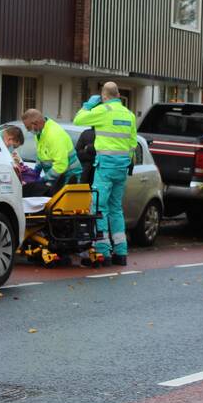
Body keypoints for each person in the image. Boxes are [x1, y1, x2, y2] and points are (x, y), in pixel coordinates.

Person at [73, 82, 137, 267]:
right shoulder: (129, 114)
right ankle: (121, 252)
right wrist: (125, 163)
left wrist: (88, 105)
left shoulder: (103, 109)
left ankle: (103, 252)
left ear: (104, 95)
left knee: (98, 208)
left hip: (105, 167)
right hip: (121, 168)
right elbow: (132, 144)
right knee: (116, 208)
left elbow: (78, 120)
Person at [21, 109, 82, 189]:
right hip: (59, 176)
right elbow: (41, 154)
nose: (28, 130)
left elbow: (61, 165)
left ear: (35, 123)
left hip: (70, 176)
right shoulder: (39, 133)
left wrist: (44, 179)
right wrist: (36, 170)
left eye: (28, 127)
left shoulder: (54, 135)